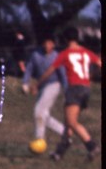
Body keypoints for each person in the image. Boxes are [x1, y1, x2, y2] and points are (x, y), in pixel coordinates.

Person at [37, 26, 101, 161]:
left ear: (66, 39)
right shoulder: (86, 52)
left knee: (72, 122)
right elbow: (99, 63)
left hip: (74, 88)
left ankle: (92, 146)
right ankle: (59, 153)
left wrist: (38, 83)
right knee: (68, 123)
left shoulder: (65, 54)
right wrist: (91, 75)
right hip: (86, 88)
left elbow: (51, 70)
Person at [21, 35, 66, 149]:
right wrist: (25, 83)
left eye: (50, 43)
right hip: (41, 86)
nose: (47, 45)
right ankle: (64, 132)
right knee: (43, 114)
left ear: (54, 45)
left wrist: (67, 90)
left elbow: (63, 75)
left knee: (39, 110)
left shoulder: (57, 56)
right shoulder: (36, 55)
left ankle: (39, 139)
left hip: (54, 85)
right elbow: (29, 69)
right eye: (45, 43)